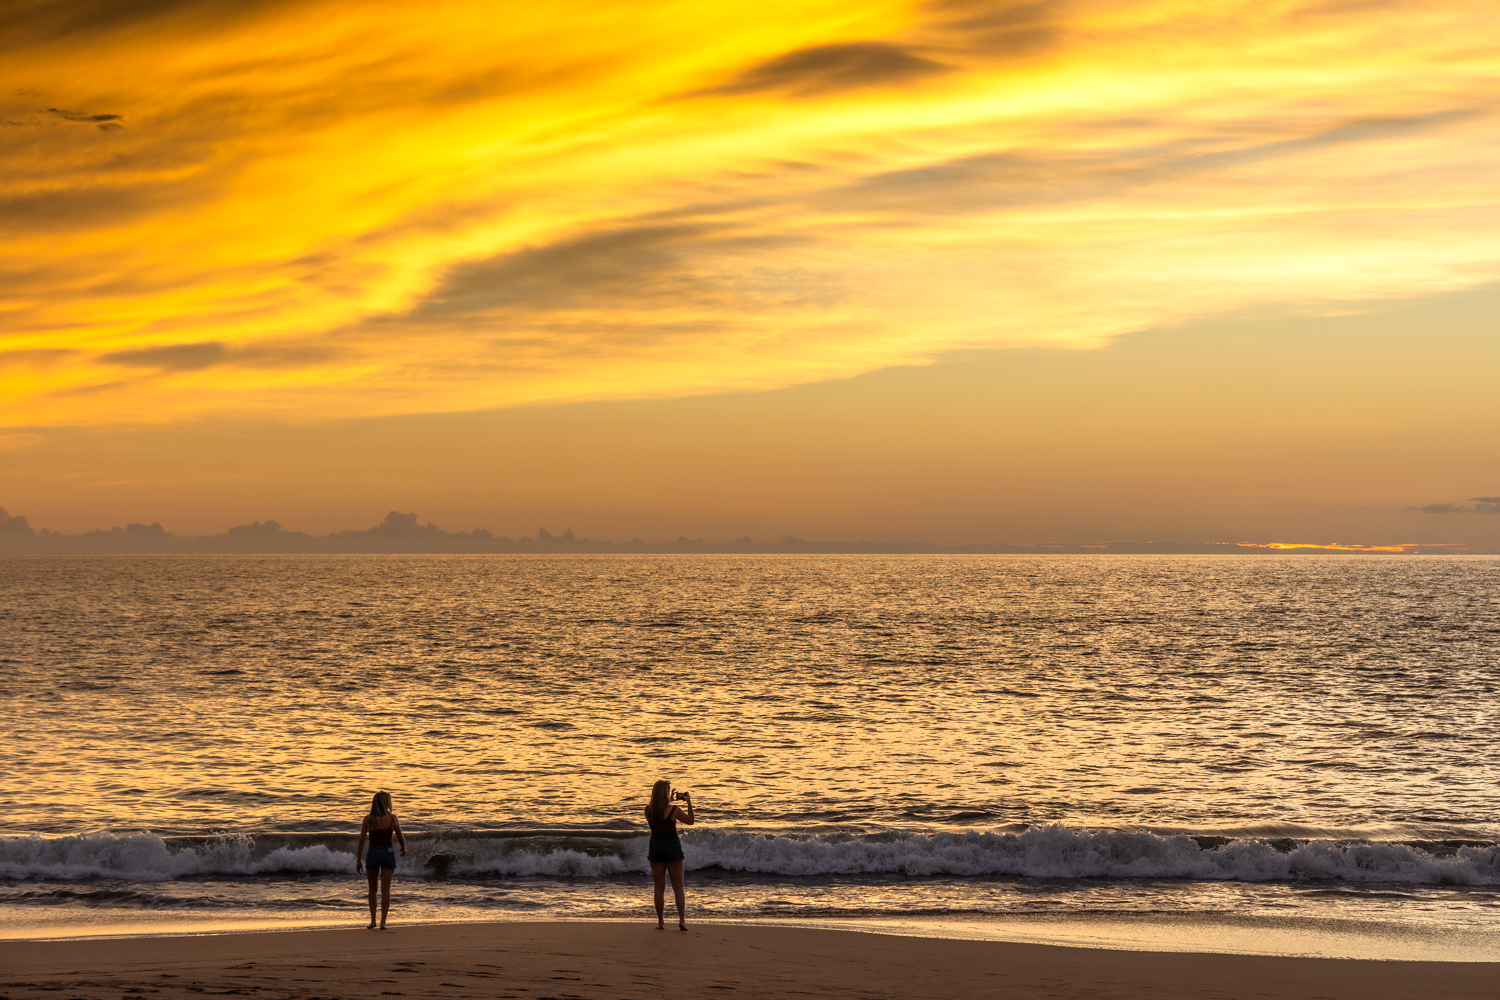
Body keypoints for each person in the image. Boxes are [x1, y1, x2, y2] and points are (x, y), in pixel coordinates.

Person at [644, 779, 694, 931]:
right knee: (678, 887)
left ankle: (660, 922)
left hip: (656, 847)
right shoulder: (674, 810)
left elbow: (659, 816)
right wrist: (689, 803)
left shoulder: (648, 810)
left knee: (659, 888)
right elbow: (690, 821)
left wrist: (668, 801)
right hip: (672, 847)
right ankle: (682, 920)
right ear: (666, 794)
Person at [355, 790, 407, 929]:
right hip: (388, 852)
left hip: (373, 852)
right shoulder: (392, 818)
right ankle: (383, 922)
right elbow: (400, 836)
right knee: (386, 889)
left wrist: (358, 859)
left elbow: (361, 840)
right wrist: (403, 848)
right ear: (386, 803)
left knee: (372, 889)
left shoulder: (367, 819)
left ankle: (373, 920)